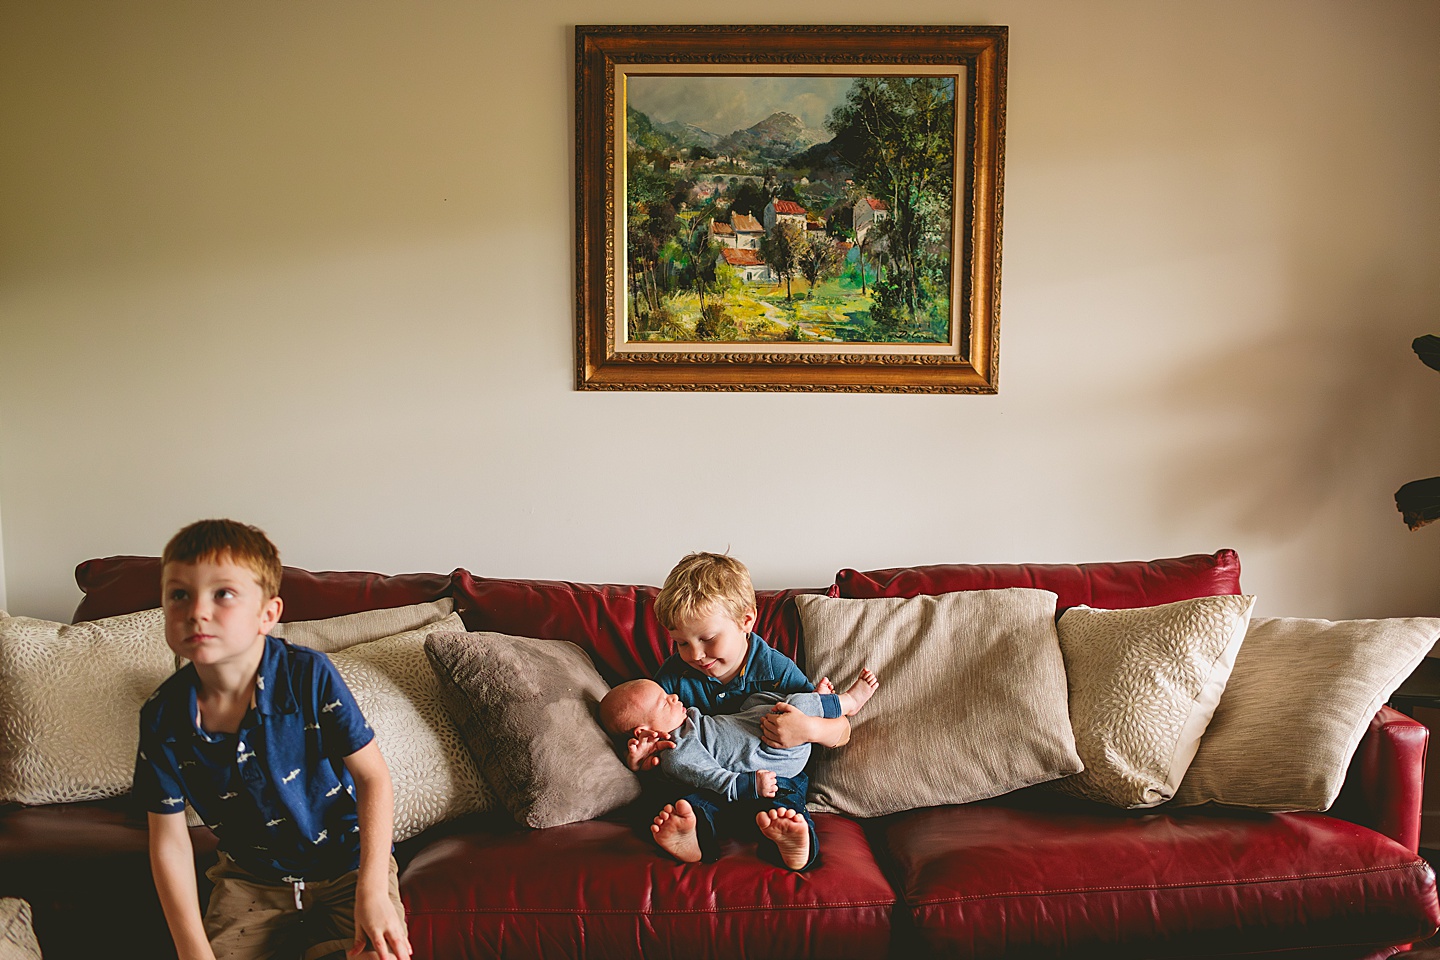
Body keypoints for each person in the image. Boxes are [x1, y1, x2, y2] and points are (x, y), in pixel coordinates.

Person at [135, 519, 411, 960]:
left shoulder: (310, 675)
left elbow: (373, 778)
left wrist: (373, 889)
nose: (197, 611)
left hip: (348, 867)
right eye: (179, 594)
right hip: (250, 877)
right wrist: (193, 952)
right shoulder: (162, 716)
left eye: (222, 593)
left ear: (268, 614)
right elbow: (168, 839)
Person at [634, 551, 873, 871]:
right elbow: (660, 731)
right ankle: (692, 838)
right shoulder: (674, 677)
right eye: (681, 643)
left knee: (785, 804)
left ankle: (793, 842)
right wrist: (643, 758)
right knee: (688, 799)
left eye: (707, 638)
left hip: (775, 772)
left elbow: (841, 729)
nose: (696, 654)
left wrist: (809, 729)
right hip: (716, 777)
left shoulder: (774, 668)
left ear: (746, 621)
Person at [600, 677, 877, 865]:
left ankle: (702, 834)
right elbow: (706, 774)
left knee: (784, 709)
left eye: (667, 694)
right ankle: (847, 702)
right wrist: (745, 785)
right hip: (764, 770)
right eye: (663, 702)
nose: (673, 696)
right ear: (645, 731)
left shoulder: (684, 728)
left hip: (773, 752)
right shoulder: (677, 747)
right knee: (782, 811)